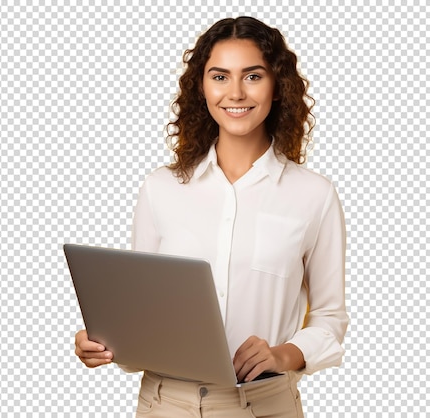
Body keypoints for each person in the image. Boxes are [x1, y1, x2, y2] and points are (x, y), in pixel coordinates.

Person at [74, 16, 349, 417]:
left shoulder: (314, 195)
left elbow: (329, 317)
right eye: (220, 76)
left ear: (277, 87)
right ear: (201, 88)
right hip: (165, 403)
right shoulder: (161, 188)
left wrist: (284, 355)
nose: (235, 92)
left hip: (264, 405)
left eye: (252, 76)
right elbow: (142, 317)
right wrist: (104, 344)